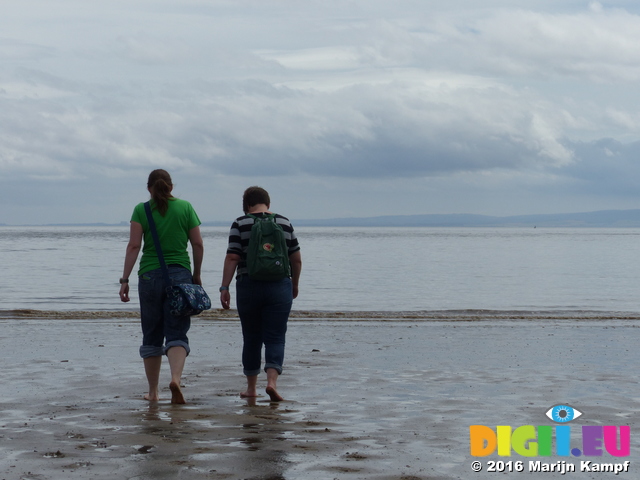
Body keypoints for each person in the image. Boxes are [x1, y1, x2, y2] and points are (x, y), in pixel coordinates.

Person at [119, 169, 204, 404]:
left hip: (148, 277)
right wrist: (196, 273)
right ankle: (175, 378)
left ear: (149, 188)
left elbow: (134, 246)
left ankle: (154, 392)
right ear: (171, 187)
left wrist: (124, 279)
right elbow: (197, 243)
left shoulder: (141, 209)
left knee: (152, 334)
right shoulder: (185, 207)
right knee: (177, 331)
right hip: (180, 274)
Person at [220, 186, 302, 402]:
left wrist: (224, 287)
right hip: (279, 286)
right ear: (268, 203)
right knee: (276, 337)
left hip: (249, 285)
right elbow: (296, 258)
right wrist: (295, 283)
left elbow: (232, 257)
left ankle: (251, 388)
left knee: (252, 337)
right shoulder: (284, 222)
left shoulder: (240, 223)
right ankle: (272, 383)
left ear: (247, 205)